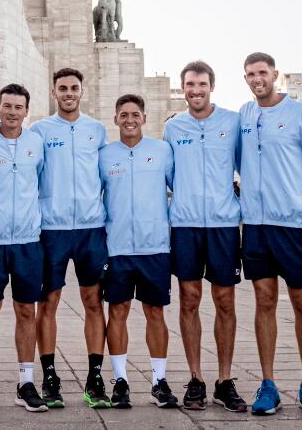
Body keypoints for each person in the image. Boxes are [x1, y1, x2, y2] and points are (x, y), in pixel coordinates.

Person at [236, 52, 302, 416]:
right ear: (245, 78)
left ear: (274, 74)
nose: (257, 79)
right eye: (250, 74)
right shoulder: (244, 116)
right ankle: (268, 384)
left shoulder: (300, 114)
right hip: (256, 225)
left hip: (294, 224)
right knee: (264, 301)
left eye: (262, 72)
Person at [163, 60, 246, 411]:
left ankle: (224, 381)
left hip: (223, 225)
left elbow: (247, 167)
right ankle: (196, 378)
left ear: (212, 86)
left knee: (225, 301)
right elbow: (168, 176)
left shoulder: (232, 122)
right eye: (190, 85)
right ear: (183, 88)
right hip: (185, 225)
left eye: (201, 84)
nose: (195, 91)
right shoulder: (172, 127)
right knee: (190, 298)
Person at [31, 68, 111, 409]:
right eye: (62, 88)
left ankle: (95, 377)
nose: (68, 93)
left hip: (91, 229)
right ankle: (49, 376)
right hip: (52, 229)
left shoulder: (97, 130)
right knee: (48, 302)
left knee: (93, 301)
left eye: (73, 88)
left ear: (81, 91)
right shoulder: (40, 131)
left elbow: (107, 177)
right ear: (54, 92)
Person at [97, 95, 179, 410]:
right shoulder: (105, 155)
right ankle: (120, 381)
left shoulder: (162, 151)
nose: (129, 120)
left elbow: (180, 187)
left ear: (144, 117)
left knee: (154, 312)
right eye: (123, 115)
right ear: (115, 119)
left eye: (135, 114)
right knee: (117, 311)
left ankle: (160, 381)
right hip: (116, 248)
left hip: (154, 246)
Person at [0, 84, 48, 413]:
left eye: (18, 107)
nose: (13, 112)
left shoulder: (36, 143)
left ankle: (26, 382)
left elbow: (41, 182)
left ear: (26, 111)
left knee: (26, 310)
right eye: (7, 106)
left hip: (28, 242)